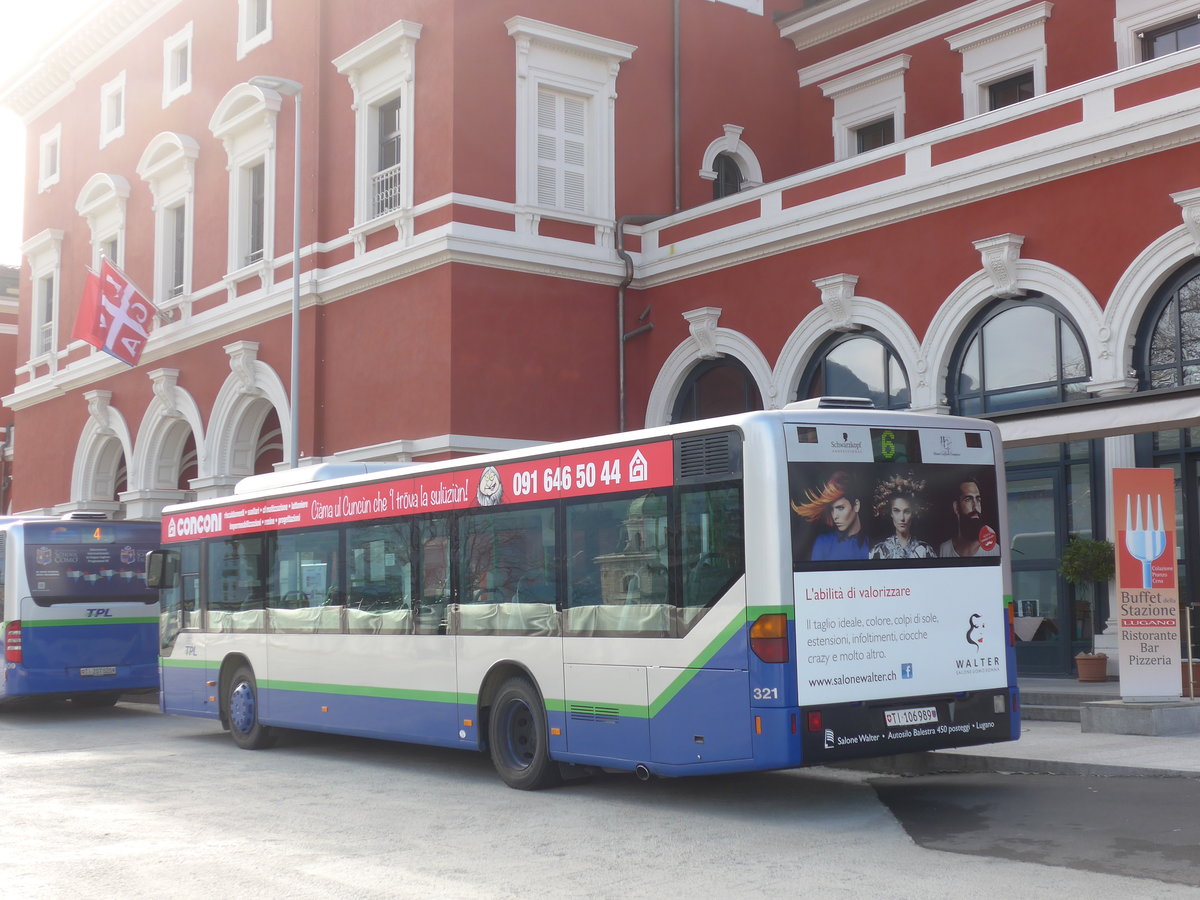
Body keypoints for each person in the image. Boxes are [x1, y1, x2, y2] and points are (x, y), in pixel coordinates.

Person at [792, 471, 869, 560]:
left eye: (840, 508)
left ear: (856, 505)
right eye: (832, 509)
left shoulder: (875, 545)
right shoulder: (823, 543)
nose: (834, 516)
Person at [869, 474, 936, 560]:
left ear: (913, 513)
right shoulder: (878, 551)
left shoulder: (925, 551)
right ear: (890, 513)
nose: (902, 518)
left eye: (907, 511)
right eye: (896, 511)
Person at [939, 476, 1000, 558]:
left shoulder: (994, 550)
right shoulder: (944, 550)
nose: (975, 507)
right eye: (968, 499)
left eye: (978, 500)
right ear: (956, 507)